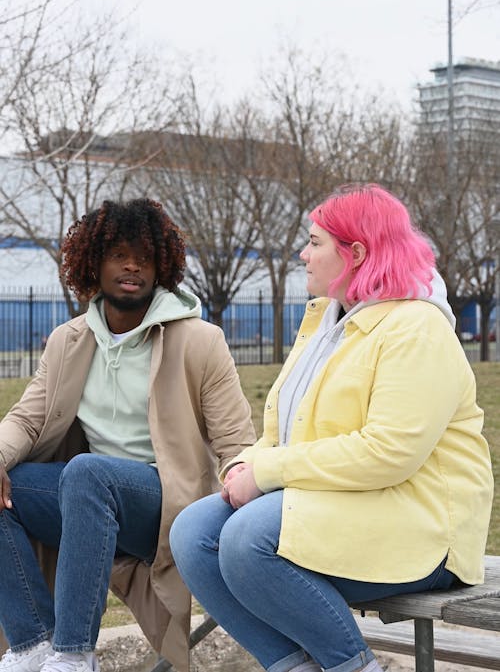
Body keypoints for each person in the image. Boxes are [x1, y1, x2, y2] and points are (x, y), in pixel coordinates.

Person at [170, 184, 494, 672]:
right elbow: (288, 428)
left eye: (316, 242)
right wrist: (249, 462)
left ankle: (353, 666)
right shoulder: (326, 322)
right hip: (345, 503)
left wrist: (268, 471)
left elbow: (388, 452)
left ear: (356, 252)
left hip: (423, 529)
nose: (303, 253)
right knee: (195, 531)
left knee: (248, 539)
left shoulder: (416, 327)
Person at [0, 199, 256, 672]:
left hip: (162, 504)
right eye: (118, 253)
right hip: (87, 498)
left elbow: (235, 441)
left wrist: (243, 491)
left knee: (88, 472)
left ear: (162, 267)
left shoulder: (199, 341)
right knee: (8, 486)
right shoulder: (68, 341)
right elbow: (27, 419)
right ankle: (35, 641)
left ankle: (75, 655)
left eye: (144, 255)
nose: (133, 264)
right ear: (93, 264)